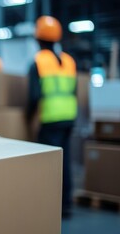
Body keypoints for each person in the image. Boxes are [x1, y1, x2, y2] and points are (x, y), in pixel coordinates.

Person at [26, 16, 77, 217]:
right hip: (69, 118)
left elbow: (34, 96)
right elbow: (74, 91)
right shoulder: (68, 60)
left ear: (38, 39)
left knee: (49, 164)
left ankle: (52, 204)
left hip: (50, 119)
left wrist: (28, 118)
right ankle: (67, 204)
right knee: (66, 161)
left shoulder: (37, 62)